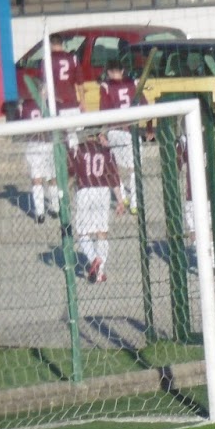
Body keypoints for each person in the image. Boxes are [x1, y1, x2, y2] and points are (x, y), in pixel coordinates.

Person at [68, 130, 128, 283]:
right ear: (98, 135)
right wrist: (120, 201)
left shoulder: (78, 150)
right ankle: (100, 272)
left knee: (83, 232)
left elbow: (70, 172)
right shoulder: (106, 151)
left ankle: (94, 258)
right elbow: (114, 177)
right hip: (102, 191)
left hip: (85, 190)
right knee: (102, 232)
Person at [97, 56, 140, 211]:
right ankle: (135, 203)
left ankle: (122, 195)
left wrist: (102, 132)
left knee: (115, 166)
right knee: (133, 168)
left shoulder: (106, 86)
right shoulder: (133, 83)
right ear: (122, 71)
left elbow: (104, 110)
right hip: (131, 129)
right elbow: (144, 103)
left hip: (115, 130)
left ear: (108, 72)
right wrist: (148, 128)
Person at [18, 89, 56, 223]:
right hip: (47, 142)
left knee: (37, 179)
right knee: (52, 177)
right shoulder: (48, 103)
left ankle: (40, 213)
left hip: (33, 144)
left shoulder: (25, 105)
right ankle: (56, 208)